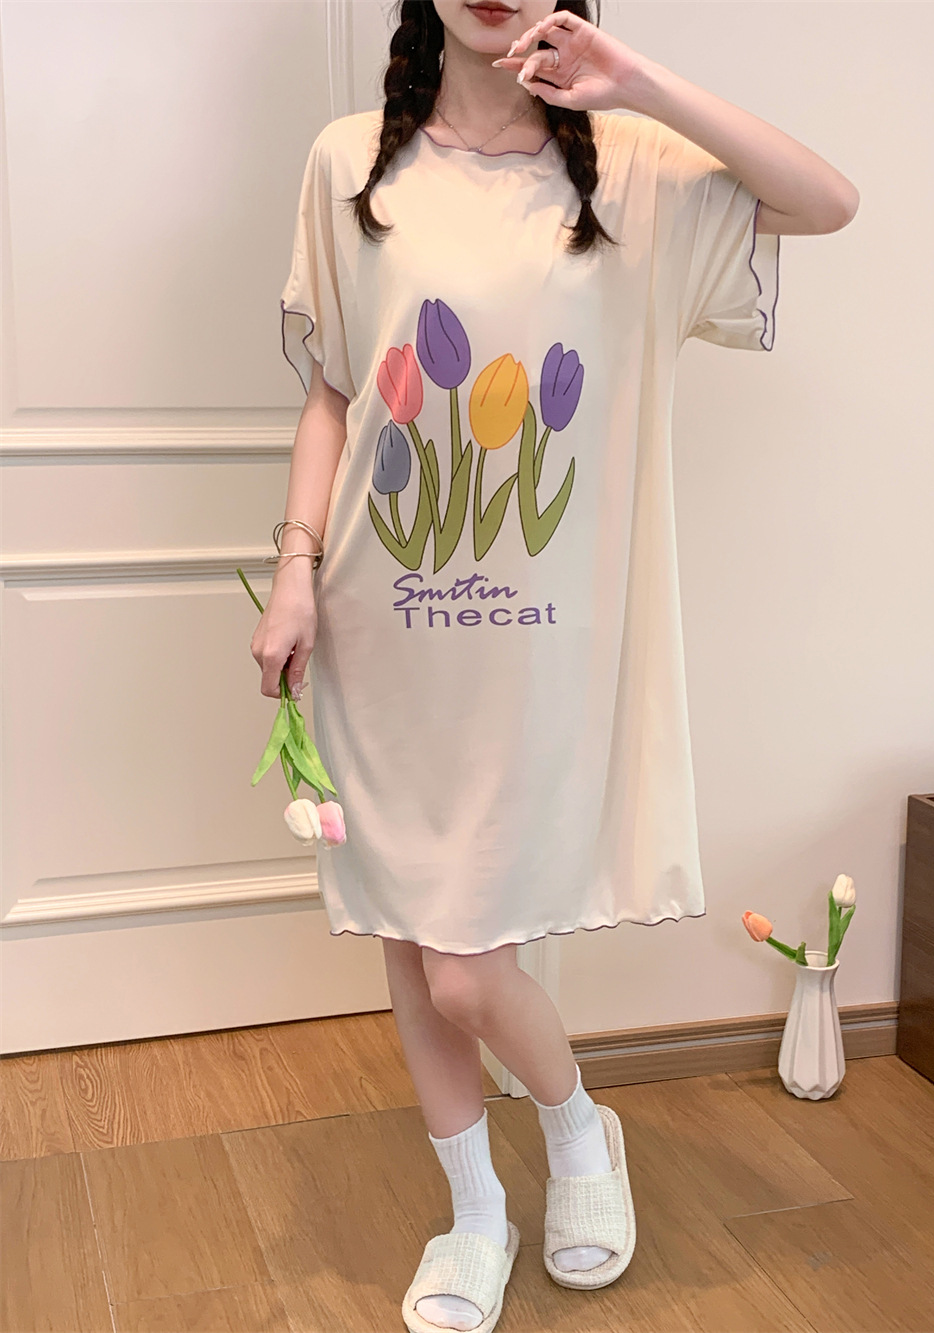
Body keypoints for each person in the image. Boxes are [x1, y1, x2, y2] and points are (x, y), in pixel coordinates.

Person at [252, 3, 859, 1329]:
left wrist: (631, 79)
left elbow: (827, 201)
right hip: (380, 627)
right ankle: (475, 1208)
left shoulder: (632, 169)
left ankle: (581, 1128)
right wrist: (296, 568)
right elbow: (339, 392)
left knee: (469, 965)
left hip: (541, 648)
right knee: (413, 938)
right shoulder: (351, 160)